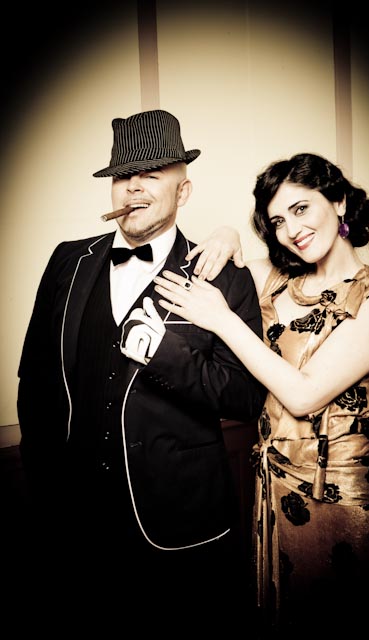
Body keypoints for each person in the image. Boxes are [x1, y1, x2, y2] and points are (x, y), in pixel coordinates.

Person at [16, 109, 266, 635]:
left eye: (151, 175)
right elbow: (34, 381)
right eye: (122, 176)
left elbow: (245, 398)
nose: (133, 187)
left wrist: (165, 354)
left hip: (178, 522)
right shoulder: (67, 261)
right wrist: (43, 490)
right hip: (74, 523)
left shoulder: (224, 276)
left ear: (184, 191)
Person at [152, 153, 369, 635]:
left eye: (301, 209)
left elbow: (304, 395)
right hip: (271, 486)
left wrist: (223, 320)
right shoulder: (272, 278)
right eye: (276, 221)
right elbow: (224, 265)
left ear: (338, 202)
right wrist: (227, 234)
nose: (291, 230)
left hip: (345, 494)